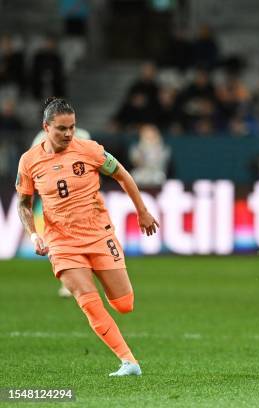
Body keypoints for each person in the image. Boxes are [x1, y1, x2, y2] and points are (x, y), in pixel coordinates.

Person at [16, 98, 160, 377]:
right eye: (61, 129)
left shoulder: (91, 150)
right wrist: (34, 234)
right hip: (61, 241)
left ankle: (101, 274)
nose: (68, 134)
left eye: (72, 127)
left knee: (124, 305)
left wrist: (142, 212)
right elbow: (23, 203)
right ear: (46, 127)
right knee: (87, 299)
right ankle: (128, 361)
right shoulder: (29, 160)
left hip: (98, 234)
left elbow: (123, 176)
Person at [31, 124, 92, 298]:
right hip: (53, 198)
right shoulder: (41, 138)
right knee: (58, 242)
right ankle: (70, 283)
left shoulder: (83, 135)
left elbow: (91, 163)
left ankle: (79, 281)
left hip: (79, 197)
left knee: (79, 240)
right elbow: (33, 164)